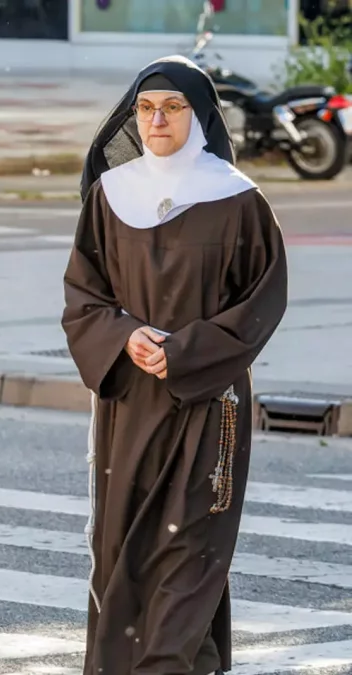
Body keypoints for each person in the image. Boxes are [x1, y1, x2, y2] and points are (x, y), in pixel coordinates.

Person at [62, 55, 288, 675]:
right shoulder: (111, 195)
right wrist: (123, 336)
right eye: (145, 108)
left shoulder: (237, 199)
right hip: (129, 407)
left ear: (200, 116)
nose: (156, 120)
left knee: (188, 552)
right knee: (125, 556)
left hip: (207, 406)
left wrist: (184, 353)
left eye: (172, 108)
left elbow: (262, 300)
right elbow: (84, 293)